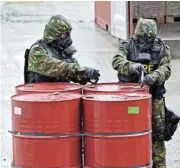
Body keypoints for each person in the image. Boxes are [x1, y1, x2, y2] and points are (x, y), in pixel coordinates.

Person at [112, 18, 172, 168]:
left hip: (154, 99)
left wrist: (154, 77)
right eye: (141, 38)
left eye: (148, 39)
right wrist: (131, 67)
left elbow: (166, 68)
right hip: (130, 101)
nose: (144, 42)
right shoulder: (127, 46)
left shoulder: (162, 49)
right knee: (128, 133)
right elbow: (116, 61)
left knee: (157, 136)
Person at [24, 15, 100, 85]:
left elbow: (74, 73)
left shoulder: (61, 51)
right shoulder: (37, 51)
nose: (67, 38)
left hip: (61, 95)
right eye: (64, 34)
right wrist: (82, 70)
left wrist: (86, 75)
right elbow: (58, 67)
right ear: (54, 34)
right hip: (39, 96)